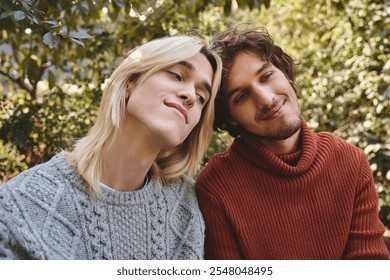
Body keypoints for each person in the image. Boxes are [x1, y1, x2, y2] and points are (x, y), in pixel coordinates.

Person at [0, 35, 222, 260]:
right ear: (129, 83)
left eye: (202, 97)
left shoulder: (186, 207)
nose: (191, 97)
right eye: (176, 75)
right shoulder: (20, 203)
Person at [195, 28, 389, 260]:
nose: (266, 99)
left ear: (284, 72)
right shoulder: (216, 187)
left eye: (266, 76)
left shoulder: (350, 161)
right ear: (229, 116)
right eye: (242, 96)